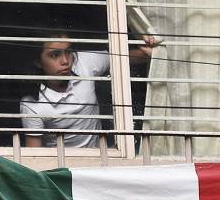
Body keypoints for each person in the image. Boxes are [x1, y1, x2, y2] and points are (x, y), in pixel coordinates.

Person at [20, 30, 158, 148]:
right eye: (54, 55)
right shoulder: (31, 104)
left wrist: (152, 48)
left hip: (98, 160)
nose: (65, 61)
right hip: (62, 170)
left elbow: (123, 58)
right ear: (38, 61)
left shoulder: (83, 62)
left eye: (68, 52)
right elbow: (34, 155)